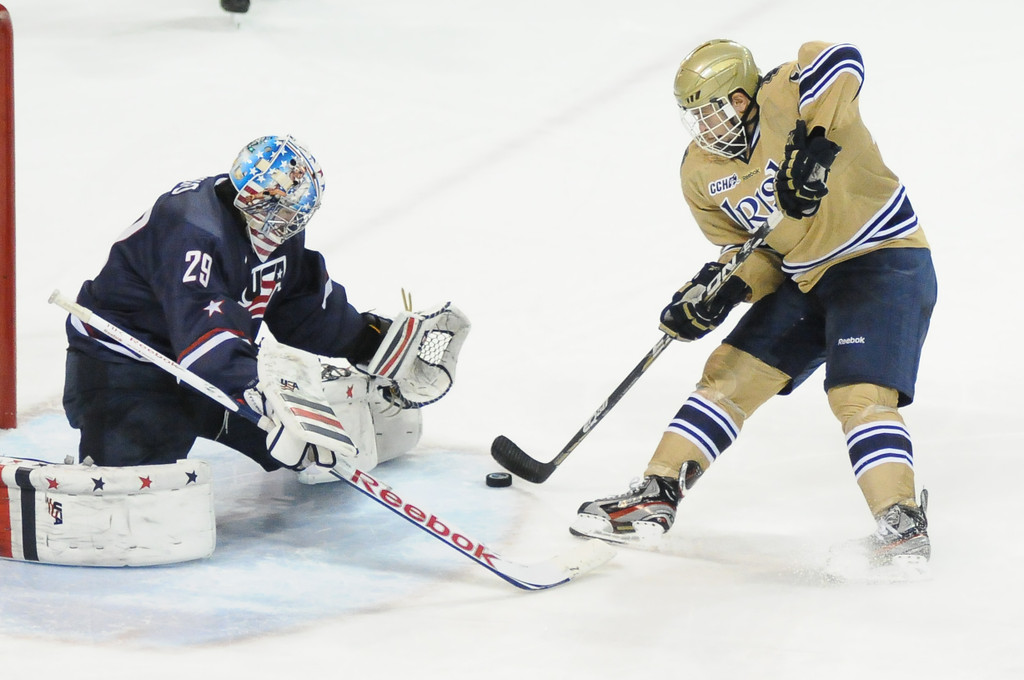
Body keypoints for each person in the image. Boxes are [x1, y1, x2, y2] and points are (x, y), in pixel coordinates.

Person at [570, 40, 937, 567]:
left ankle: (901, 528)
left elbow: (841, 58)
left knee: (858, 394)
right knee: (726, 374)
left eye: (715, 111)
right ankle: (657, 493)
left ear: (745, 97)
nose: (706, 128)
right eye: (694, 117)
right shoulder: (699, 170)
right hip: (805, 277)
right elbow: (755, 249)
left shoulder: (788, 91)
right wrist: (722, 290)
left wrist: (813, 145)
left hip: (882, 260)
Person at [62, 135, 468, 479]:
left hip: (210, 369)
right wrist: (262, 394)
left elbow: (301, 305)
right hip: (126, 368)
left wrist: (369, 343)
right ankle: (120, 440)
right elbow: (204, 336)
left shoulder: (273, 230)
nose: (289, 226)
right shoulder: (190, 229)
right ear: (250, 197)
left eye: (296, 215)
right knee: (143, 488)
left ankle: (219, 412)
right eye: (281, 213)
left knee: (334, 444)